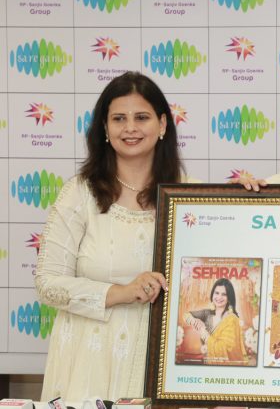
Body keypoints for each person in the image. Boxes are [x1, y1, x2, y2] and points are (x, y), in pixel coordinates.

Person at [35, 71, 184, 401]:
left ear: (162, 125)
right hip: (89, 362)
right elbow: (47, 284)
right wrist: (123, 292)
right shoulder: (79, 194)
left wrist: (249, 196)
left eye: (141, 117)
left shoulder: (187, 196)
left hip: (160, 364)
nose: (130, 127)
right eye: (119, 118)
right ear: (105, 129)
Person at [183, 278, 247, 365]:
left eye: (224, 294)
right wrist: (194, 321)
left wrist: (203, 332)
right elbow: (186, 314)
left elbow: (226, 349)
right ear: (212, 294)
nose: (219, 297)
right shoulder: (207, 313)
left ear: (229, 298)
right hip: (209, 363)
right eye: (216, 293)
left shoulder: (232, 319)